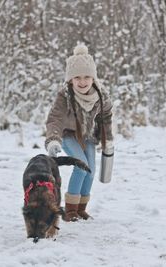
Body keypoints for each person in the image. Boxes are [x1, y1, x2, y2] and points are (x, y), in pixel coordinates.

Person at [45, 44, 114, 221]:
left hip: (88, 136)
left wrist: (108, 139)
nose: (82, 82)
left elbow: (106, 117)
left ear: (93, 78)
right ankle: (70, 211)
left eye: (86, 77)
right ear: (70, 79)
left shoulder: (101, 95)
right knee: (81, 166)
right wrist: (53, 139)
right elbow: (55, 118)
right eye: (77, 78)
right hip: (69, 135)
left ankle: (81, 209)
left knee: (90, 171)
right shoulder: (65, 95)